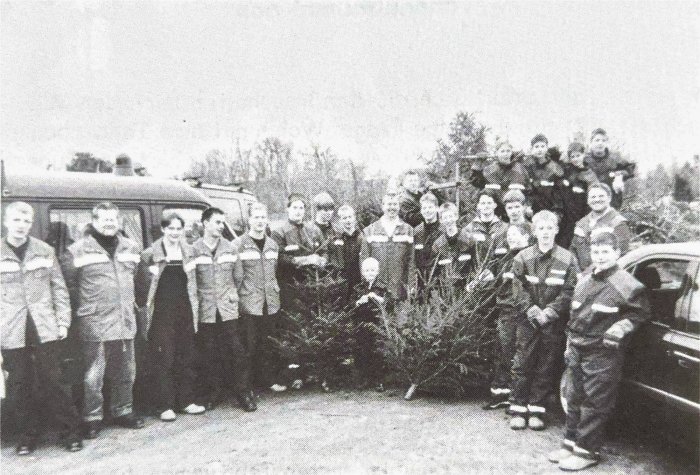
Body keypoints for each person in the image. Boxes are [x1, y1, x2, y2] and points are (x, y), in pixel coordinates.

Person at [548, 231, 650, 471]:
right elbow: (574, 314)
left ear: (617, 253)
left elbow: (639, 314)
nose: (600, 257)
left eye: (605, 252)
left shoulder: (629, 286)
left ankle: (587, 451)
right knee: (573, 398)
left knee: (594, 403)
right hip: (577, 346)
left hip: (602, 352)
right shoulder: (584, 278)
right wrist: (569, 344)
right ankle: (570, 443)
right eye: (596, 252)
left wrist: (620, 327)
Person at [1, 202, 82, 454]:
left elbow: (59, 288)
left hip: (44, 327)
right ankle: (28, 436)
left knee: (54, 381)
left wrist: (63, 322)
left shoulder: (44, 251)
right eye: (16, 220)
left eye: (26, 221)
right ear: (6, 222)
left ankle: (70, 433)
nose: (21, 225)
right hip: (11, 330)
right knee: (19, 385)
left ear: (31, 224)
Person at [62, 202, 145, 439]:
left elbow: (139, 280)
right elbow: (68, 286)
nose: (110, 223)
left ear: (119, 221)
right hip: (94, 322)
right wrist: (86, 309)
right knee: (93, 376)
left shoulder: (131, 247)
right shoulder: (77, 250)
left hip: (124, 319)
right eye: (104, 219)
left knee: (126, 371)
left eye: (113, 219)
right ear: (94, 221)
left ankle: (123, 410)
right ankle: (92, 418)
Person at [509, 210, 579, 431]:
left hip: (553, 322)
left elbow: (570, 290)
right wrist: (531, 310)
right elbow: (517, 287)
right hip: (527, 321)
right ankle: (518, 408)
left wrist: (549, 312)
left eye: (550, 228)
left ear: (556, 230)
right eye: (541, 228)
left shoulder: (568, 259)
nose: (545, 232)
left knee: (546, 364)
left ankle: (536, 409)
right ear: (534, 231)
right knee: (523, 362)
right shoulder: (522, 257)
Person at [135, 213, 205, 422]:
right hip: (161, 314)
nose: (175, 233)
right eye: (171, 228)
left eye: (178, 229)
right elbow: (142, 286)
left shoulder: (189, 252)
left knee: (186, 355)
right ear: (163, 229)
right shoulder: (149, 254)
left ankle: (186, 401)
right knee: (164, 358)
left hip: (185, 311)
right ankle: (164, 406)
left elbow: (194, 282)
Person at [192, 207, 255, 412]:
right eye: (217, 222)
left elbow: (238, 276)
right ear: (205, 223)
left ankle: (243, 393)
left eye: (222, 222)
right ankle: (214, 392)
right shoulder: (194, 250)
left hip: (228, 308)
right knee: (209, 352)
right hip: (206, 309)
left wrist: (229, 294)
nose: (221, 226)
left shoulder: (230, 248)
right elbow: (192, 280)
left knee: (236, 351)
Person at [233, 203, 286, 393]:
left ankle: (268, 380)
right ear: (249, 220)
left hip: (270, 301)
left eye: (263, 217)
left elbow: (274, 271)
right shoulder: (238, 245)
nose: (260, 221)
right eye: (256, 217)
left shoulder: (272, 245)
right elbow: (236, 276)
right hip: (249, 303)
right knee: (248, 345)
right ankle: (246, 387)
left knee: (267, 343)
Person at [482, 223, 531, 411]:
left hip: (521, 312)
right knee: (503, 351)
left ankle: (517, 398)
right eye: (508, 234)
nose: (510, 237)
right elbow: (496, 280)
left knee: (521, 355)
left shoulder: (529, 258)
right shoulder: (504, 258)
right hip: (505, 311)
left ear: (526, 237)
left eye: (515, 234)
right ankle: (500, 395)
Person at [271, 194, 326, 311]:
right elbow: (279, 257)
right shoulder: (278, 233)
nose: (298, 211)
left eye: (301, 208)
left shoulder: (314, 230)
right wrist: (305, 260)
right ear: (288, 209)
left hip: (313, 283)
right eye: (294, 207)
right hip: (290, 285)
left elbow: (324, 250)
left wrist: (322, 262)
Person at [360, 193, 415, 302]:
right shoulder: (370, 231)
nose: (392, 207)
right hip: (376, 292)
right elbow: (364, 262)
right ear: (383, 206)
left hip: (400, 290)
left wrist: (411, 286)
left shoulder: (408, 230)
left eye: (395, 204)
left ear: (399, 206)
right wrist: (367, 289)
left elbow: (411, 261)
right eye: (389, 204)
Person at [351, 257, 394, 391]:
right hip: (361, 324)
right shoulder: (358, 288)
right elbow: (350, 306)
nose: (370, 273)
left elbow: (390, 304)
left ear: (378, 271)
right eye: (367, 270)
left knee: (377, 352)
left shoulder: (382, 287)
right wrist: (358, 302)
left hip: (377, 324)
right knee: (363, 351)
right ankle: (364, 379)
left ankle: (379, 380)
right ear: (363, 272)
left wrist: (377, 298)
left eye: (373, 270)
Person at [569, 183, 631, 271]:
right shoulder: (581, 223)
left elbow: (620, 257)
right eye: (593, 197)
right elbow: (573, 251)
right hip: (582, 276)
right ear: (588, 200)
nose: (597, 200)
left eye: (601, 196)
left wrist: (588, 274)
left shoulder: (618, 223)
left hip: (608, 275)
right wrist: (578, 273)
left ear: (609, 198)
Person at [557, 143, 599, 248]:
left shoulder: (589, 174)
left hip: (580, 212)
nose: (575, 159)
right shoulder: (566, 170)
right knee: (562, 242)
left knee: (578, 240)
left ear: (583, 155)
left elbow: (593, 194)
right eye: (572, 156)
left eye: (578, 156)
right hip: (565, 214)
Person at [471, 140, 530, 215]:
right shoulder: (490, 169)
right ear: (497, 153)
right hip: (496, 210)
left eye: (508, 151)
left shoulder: (519, 168)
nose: (505, 154)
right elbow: (477, 183)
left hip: (515, 209)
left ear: (511, 152)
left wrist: (527, 206)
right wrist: (478, 163)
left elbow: (528, 189)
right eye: (502, 151)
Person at [584, 128, 636, 209]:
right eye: (597, 140)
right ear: (591, 142)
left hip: (612, 202)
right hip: (590, 203)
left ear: (606, 143)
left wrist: (619, 175)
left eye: (603, 140)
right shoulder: (584, 159)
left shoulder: (615, 157)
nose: (600, 143)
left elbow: (630, 168)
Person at [459, 190, 509, 273]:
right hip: (477, 275)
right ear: (478, 206)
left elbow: (509, 256)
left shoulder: (505, 228)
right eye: (483, 203)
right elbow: (463, 259)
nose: (486, 206)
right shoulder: (468, 230)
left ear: (495, 205)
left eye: (489, 203)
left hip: (500, 275)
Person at [431, 202, 471, 292]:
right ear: (441, 220)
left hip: (466, 287)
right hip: (446, 288)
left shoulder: (468, 238)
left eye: (450, 216)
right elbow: (435, 270)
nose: (448, 220)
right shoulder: (438, 244)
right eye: (445, 218)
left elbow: (476, 262)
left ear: (456, 216)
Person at [328, 204, 364, 300]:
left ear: (354, 218)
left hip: (359, 280)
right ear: (340, 220)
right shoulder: (336, 240)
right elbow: (334, 261)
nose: (348, 220)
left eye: (349, 217)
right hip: (343, 282)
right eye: (344, 218)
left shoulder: (362, 238)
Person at [524, 134, 565, 218]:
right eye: (536, 146)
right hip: (531, 210)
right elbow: (526, 189)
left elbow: (558, 192)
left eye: (542, 146)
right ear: (532, 149)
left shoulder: (555, 168)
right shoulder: (526, 166)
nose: (540, 149)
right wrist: (527, 205)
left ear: (547, 148)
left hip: (550, 209)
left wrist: (556, 211)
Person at [413, 193, 442, 289]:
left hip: (440, 281)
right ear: (421, 211)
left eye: (430, 207)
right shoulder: (416, 232)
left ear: (437, 208)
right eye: (424, 208)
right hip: (421, 281)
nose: (427, 210)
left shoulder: (444, 230)